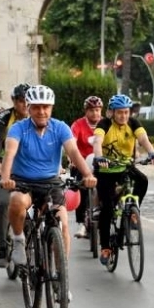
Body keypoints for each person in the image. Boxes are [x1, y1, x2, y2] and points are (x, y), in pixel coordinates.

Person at [0, 85, 96, 269]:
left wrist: (88, 174)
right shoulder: (18, 128)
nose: (41, 111)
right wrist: (5, 178)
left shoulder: (60, 128)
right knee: (16, 201)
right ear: (28, 107)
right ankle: (19, 240)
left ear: (51, 108)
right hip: (23, 181)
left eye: (46, 107)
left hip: (51, 183)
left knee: (63, 225)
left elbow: (74, 152)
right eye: (36, 107)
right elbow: (9, 154)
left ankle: (62, 276)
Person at [92, 94, 154, 266]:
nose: (123, 116)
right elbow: (97, 141)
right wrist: (99, 157)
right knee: (107, 208)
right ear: (112, 113)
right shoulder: (105, 124)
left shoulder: (133, 123)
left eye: (126, 112)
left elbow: (143, 139)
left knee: (143, 181)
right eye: (120, 112)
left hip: (125, 167)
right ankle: (106, 247)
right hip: (105, 170)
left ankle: (132, 213)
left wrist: (152, 153)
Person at [0, 83, 30, 267]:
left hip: (30, 167)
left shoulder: (38, 116)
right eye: (21, 101)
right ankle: (1, 246)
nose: (25, 105)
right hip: (6, 167)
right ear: (14, 101)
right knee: (4, 203)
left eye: (27, 101)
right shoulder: (5, 117)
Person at [69, 96, 103, 239]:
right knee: (81, 188)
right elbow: (71, 143)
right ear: (86, 111)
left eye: (97, 110)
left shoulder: (105, 124)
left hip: (101, 163)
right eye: (91, 110)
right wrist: (72, 159)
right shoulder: (78, 124)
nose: (95, 113)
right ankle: (81, 222)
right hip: (80, 163)